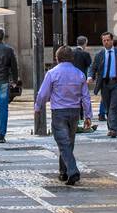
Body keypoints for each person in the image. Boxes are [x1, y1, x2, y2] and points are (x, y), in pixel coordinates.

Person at [35, 45, 92, 185]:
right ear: (72, 58)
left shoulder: (52, 73)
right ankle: (63, 171)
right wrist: (88, 116)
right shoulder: (79, 74)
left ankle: (73, 171)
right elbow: (86, 97)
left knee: (63, 143)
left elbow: (43, 94)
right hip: (74, 112)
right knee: (68, 143)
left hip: (59, 112)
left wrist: (38, 107)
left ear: (57, 58)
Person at [88, 31, 117, 137]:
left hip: (116, 83)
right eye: (104, 40)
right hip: (104, 84)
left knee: (114, 106)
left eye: (108, 40)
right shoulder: (99, 55)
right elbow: (93, 67)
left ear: (112, 40)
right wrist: (90, 76)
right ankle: (110, 128)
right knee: (107, 107)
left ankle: (114, 129)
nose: (106, 42)